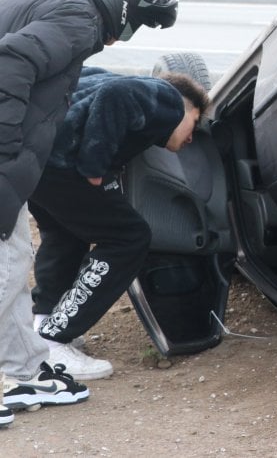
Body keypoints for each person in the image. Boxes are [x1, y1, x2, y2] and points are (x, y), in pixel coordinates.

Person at [0, 0, 178, 422]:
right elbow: (11, 61)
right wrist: (4, 153)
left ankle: (28, 372)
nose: (129, 32)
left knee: (14, 260)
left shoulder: (64, 12)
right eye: (138, 18)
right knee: (6, 264)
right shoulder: (79, 19)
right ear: (122, 1)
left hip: (22, 166)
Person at [27, 68, 210, 380]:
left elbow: (77, 77)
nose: (191, 137)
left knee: (64, 238)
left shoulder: (112, 77)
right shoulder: (167, 98)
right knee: (130, 238)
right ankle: (54, 339)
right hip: (66, 165)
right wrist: (95, 166)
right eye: (195, 121)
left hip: (37, 160)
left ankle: (43, 326)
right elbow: (117, 97)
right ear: (186, 107)